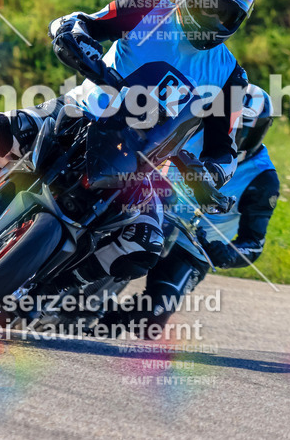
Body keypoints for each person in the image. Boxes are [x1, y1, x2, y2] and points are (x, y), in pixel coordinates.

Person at [0, 0, 256, 284]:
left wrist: (208, 174)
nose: (213, 18)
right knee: (3, 130)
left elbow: (224, 149)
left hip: (144, 163)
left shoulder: (231, 76)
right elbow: (81, 21)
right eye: (208, 6)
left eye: (224, 14)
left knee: (144, 246)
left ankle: (58, 289)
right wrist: (73, 36)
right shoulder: (148, 7)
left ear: (236, 21)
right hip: (83, 112)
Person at [100, 85, 279, 334]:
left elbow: (254, 244)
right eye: (228, 122)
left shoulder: (263, 179)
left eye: (242, 128)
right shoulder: (193, 127)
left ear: (260, 130)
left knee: (151, 321)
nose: (232, 134)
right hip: (147, 207)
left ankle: (103, 321)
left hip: (192, 248)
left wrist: (226, 254)